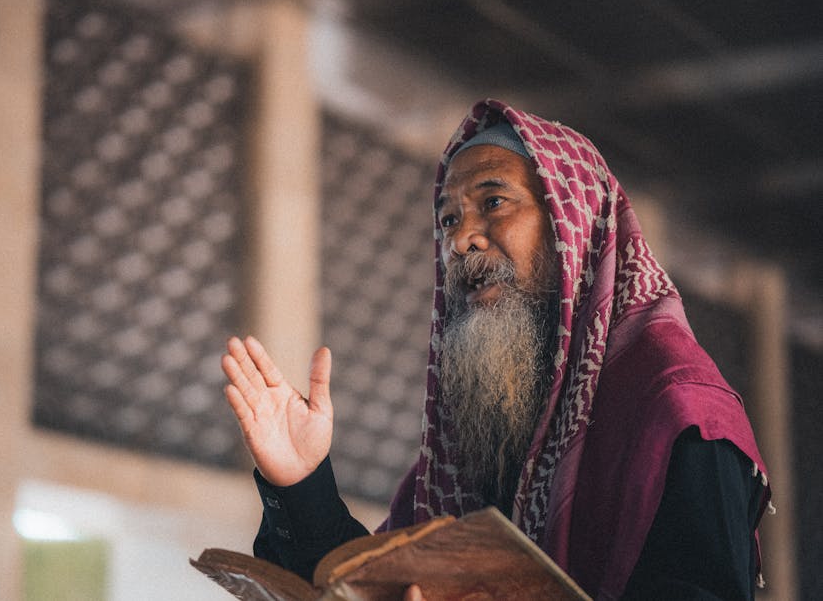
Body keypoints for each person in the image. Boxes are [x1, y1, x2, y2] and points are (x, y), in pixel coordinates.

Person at [221, 99, 771, 600]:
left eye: (493, 202)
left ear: (572, 224)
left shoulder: (676, 409)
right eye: (449, 219)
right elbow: (374, 585)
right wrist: (301, 482)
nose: (462, 240)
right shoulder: (486, 427)